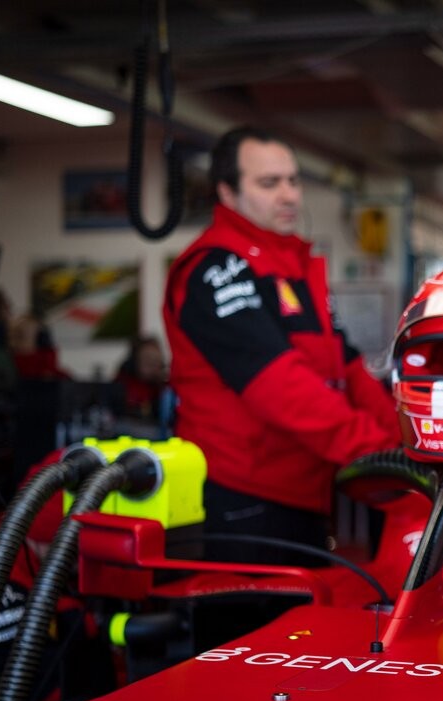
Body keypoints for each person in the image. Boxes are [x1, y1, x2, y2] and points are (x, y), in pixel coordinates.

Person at [163, 126, 400, 566]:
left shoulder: (294, 268)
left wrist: (407, 442)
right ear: (228, 193)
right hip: (240, 500)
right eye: (269, 183)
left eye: (293, 180)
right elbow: (281, 387)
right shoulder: (214, 269)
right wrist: (378, 453)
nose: (289, 195)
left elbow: (348, 369)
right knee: (252, 634)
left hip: (306, 494)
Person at [114, 335, 167, 421]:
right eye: (148, 361)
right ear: (135, 363)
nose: (154, 366)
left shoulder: (164, 388)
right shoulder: (124, 384)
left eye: (157, 361)